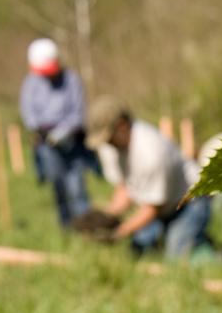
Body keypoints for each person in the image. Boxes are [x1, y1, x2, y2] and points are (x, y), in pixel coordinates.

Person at [86, 97, 213, 258]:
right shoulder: (109, 147)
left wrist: (119, 232)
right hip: (161, 206)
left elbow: (153, 207)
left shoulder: (151, 152)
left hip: (191, 201)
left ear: (122, 126)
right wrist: (107, 216)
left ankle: (220, 251)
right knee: (137, 252)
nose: (107, 143)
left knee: (176, 256)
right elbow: (125, 187)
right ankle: (183, 235)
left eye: (109, 137)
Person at [19, 38, 94, 226]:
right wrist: (43, 132)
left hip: (73, 140)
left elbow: (78, 112)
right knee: (58, 186)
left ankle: (86, 226)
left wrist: (64, 131)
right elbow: (28, 113)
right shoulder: (31, 83)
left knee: (76, 186)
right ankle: (66, 227)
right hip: (46, 144)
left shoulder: (71, 80)